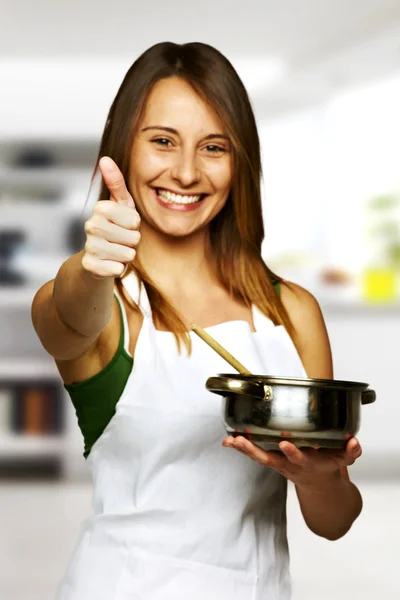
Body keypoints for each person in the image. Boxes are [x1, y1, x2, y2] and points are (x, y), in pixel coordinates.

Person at [31, 42, 363, 600]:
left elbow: (334, 521)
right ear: (124, 147)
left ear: (240, 162)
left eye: (214, 147)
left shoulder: (292, 311)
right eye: (162, 141)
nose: (185, 173)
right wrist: (92, 267)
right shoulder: (105, 304)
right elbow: (67, 314)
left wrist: (319, 479)